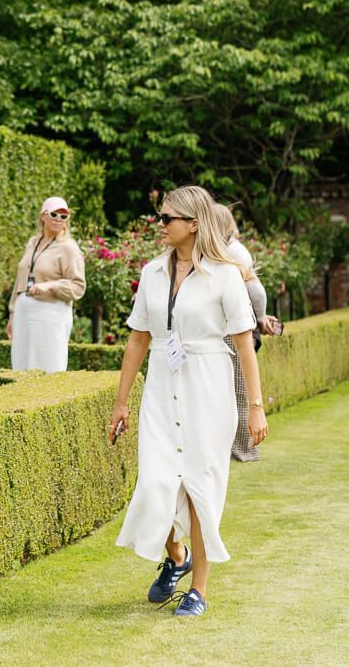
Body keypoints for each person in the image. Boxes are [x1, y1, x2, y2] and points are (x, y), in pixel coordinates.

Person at [108, 186, 267, 618]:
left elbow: (244, 344)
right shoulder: (153, 273)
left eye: (167, 219)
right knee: (155, 484)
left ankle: (197, 589)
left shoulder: (225, 275)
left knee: (200, 487)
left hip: (208, 387)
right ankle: (177, 556)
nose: (159, 225)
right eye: (160, 217)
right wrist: (121, 403)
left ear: (193, 224)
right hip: (161, 386)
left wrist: (255, 406)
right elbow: (138, 337)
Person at [213, 204, 283, 462]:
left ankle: (244, 449)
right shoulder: (230, 249)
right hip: (238, 326)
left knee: (240, 391)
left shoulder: (233, 251)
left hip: (240, 329)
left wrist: (259, 318)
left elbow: (256, 290)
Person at [6, 196, 86, 372]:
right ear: (43, 216)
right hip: (23, 313)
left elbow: (78, 286)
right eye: (54, 214)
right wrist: (12, 314)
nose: (59, 219)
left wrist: (50, 285)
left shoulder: (68, 247)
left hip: (50, 313)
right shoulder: (32, 242)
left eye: (64, 216)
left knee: (48, 366)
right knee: (20, 366)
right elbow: (20, 280)